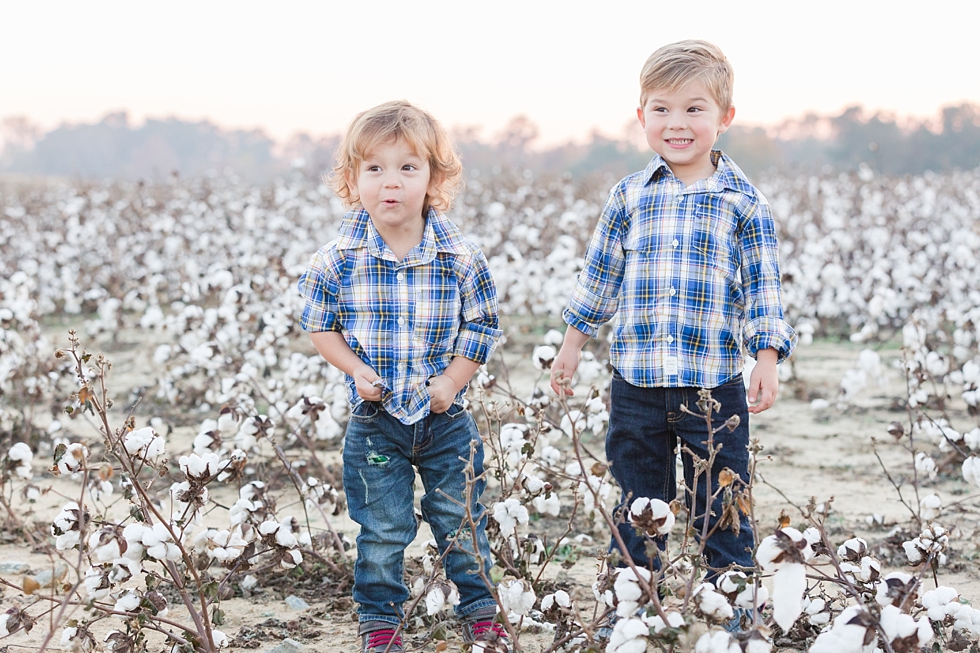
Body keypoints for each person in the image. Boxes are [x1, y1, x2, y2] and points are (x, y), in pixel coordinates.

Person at [549, 40, 798, 600]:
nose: (676, 123)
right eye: (661, 109)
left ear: (725, 118)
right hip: (634, 384)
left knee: (723, 501)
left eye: (694, 108)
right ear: (641, 117)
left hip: (713, 389)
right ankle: (634, 602)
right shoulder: (630, 196)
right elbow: (600, 277)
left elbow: (762, 288)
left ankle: (730, 601)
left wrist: (766, 359)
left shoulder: (743, 202)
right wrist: (572, 343)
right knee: (639, 501)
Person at [298, 100, 508, 653]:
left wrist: (453, 382)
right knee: (383, 529)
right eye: (375, 168)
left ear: (435, 178)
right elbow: (321, 326)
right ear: (351, 179)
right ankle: (380, 619)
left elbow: (481, 328)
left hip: (447, 419)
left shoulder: (460, 257)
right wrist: (356, 369)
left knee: (460, 520)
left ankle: (482, 609)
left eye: (408, 168)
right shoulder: (336, 259)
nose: (390, 183)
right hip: (376, 420)